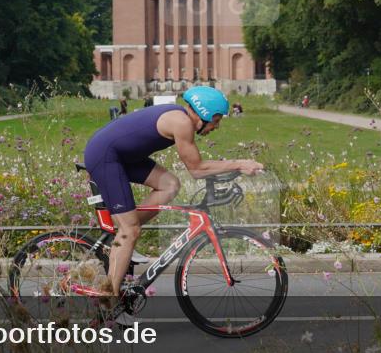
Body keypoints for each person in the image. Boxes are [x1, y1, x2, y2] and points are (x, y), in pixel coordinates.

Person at [83, 86, 263, 298]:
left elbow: (198, 167)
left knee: (170, 184)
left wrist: (231, 168)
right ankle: (108, 301)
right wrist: (239, 164)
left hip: (122, 156)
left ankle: (124, 238)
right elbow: (196, 169)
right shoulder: (182, 123)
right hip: (105, 156)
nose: (217, 126)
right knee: (129, 230)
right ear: (206, 113)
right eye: (216, 120)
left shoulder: (180, 116)